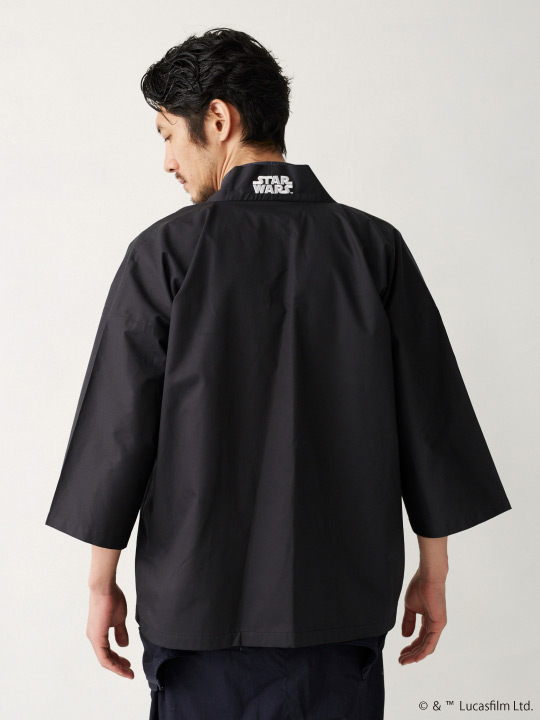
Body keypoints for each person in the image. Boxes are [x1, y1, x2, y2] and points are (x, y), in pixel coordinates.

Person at [44, 27, 512, 720]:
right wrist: (433, 572)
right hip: (340, 613)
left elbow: (118, 434)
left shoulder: (164, 255)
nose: (167, 161)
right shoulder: (374, 249)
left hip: (196, 616)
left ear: (218, 120)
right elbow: (430, 425)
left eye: (168, 134)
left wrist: (99, 585)